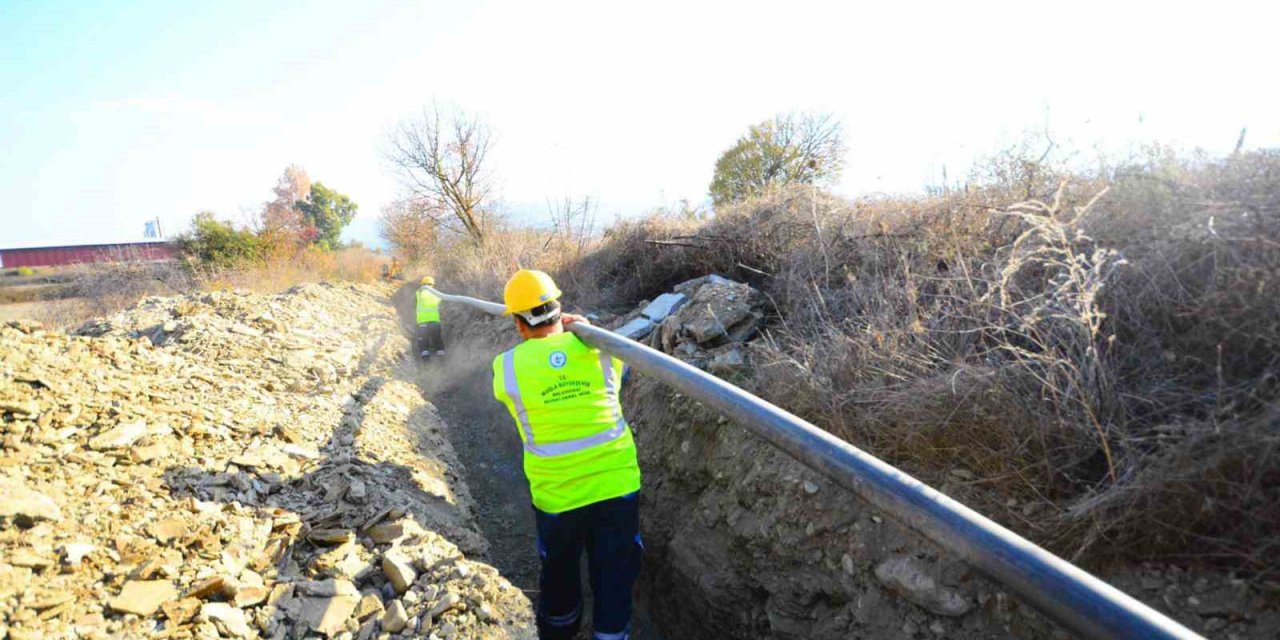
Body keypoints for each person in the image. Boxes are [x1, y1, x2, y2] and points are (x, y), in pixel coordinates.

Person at [491, 269, 643, 640]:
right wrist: (585, 330)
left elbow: (513, 389)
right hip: (617, 487)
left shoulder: (506, 369)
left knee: (559, 573)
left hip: (557, 498)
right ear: (561, 310)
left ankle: (559, 632)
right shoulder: (601, 349)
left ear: (517, 323)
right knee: (614, 574)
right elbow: (615, 372)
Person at [415, 276, 445, 361]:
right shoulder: (437, 295)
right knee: (438, 339)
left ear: (423, 284)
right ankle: (441, 359)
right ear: (432, 285)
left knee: (423, 341)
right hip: (435, 322)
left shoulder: (419, 293)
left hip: (423, 323)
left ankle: (426, 361)